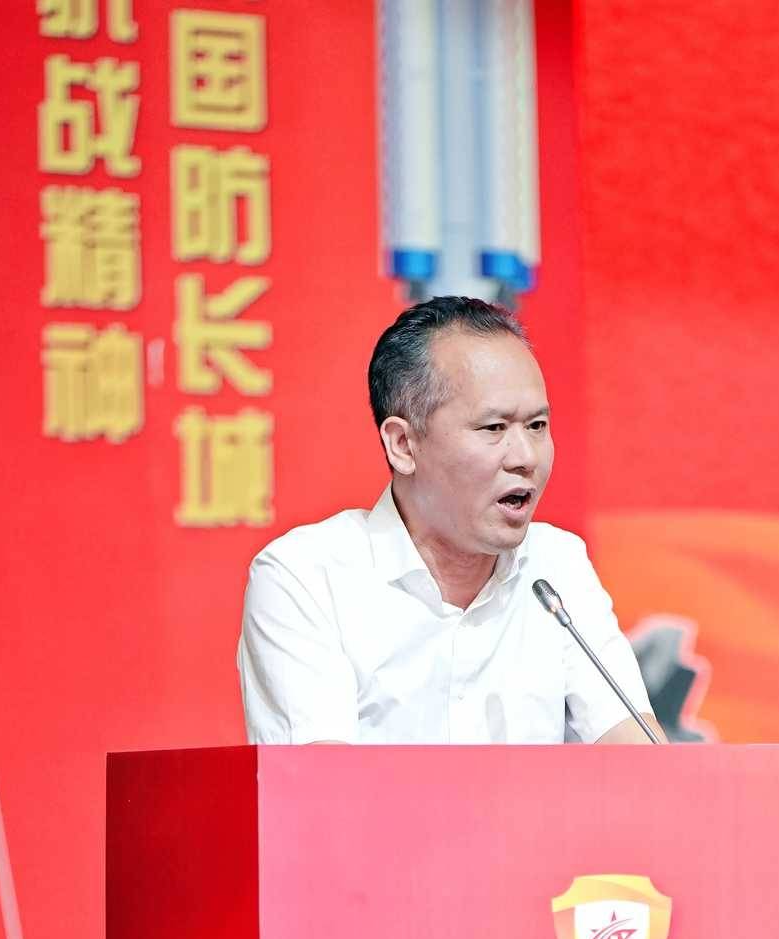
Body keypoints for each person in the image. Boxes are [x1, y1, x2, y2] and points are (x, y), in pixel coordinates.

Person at [239, 296, 661, 746]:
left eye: (537, 426)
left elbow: (639, 755)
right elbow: (320, 781)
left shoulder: (557, 566)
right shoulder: (306, 578)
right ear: (403, 445)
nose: (525, 457)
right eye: (493, 428)